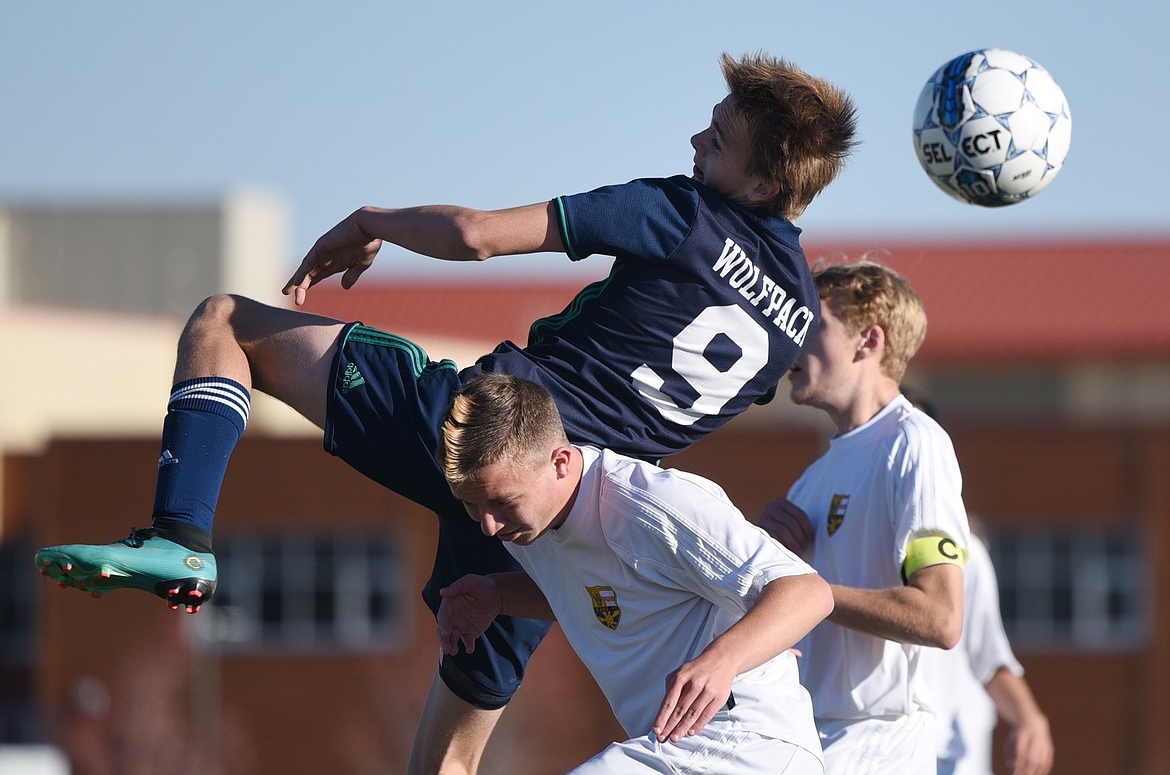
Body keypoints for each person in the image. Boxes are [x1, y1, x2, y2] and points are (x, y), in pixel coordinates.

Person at [35, 52, 858, 774]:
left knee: (226, 323)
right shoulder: (788, 331)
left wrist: (371, 222)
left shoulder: (685, 213)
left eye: (716, 140)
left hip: (484, 429)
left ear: (764, 183)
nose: (693, 144)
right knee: (450, 758)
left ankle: (181, 536)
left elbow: (475, 236)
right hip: (555, 530)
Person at [436, 373, 832, 774]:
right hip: (682, 747)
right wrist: (498, 596)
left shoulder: (647, 503)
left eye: (502, 502)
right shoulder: (529, 522)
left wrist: (722, 660)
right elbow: (600, 593)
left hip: (748, 744)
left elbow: (808, 591)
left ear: (560, 462)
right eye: (472, 505)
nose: (488, 525)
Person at [756, 259, 971, 775]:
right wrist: (762, 556)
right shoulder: (813, 479)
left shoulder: (915, 442)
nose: (791, 341)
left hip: (877, 741)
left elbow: (939, 618)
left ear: (867, 342)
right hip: (809, 736)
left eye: (812, 325)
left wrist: (810, 593)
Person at [902, 384, 1054, 775]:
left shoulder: (965, 552)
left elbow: (989, 658)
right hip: (861, 750)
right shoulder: (825, 523)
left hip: (944, 755)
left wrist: (1030, 719)